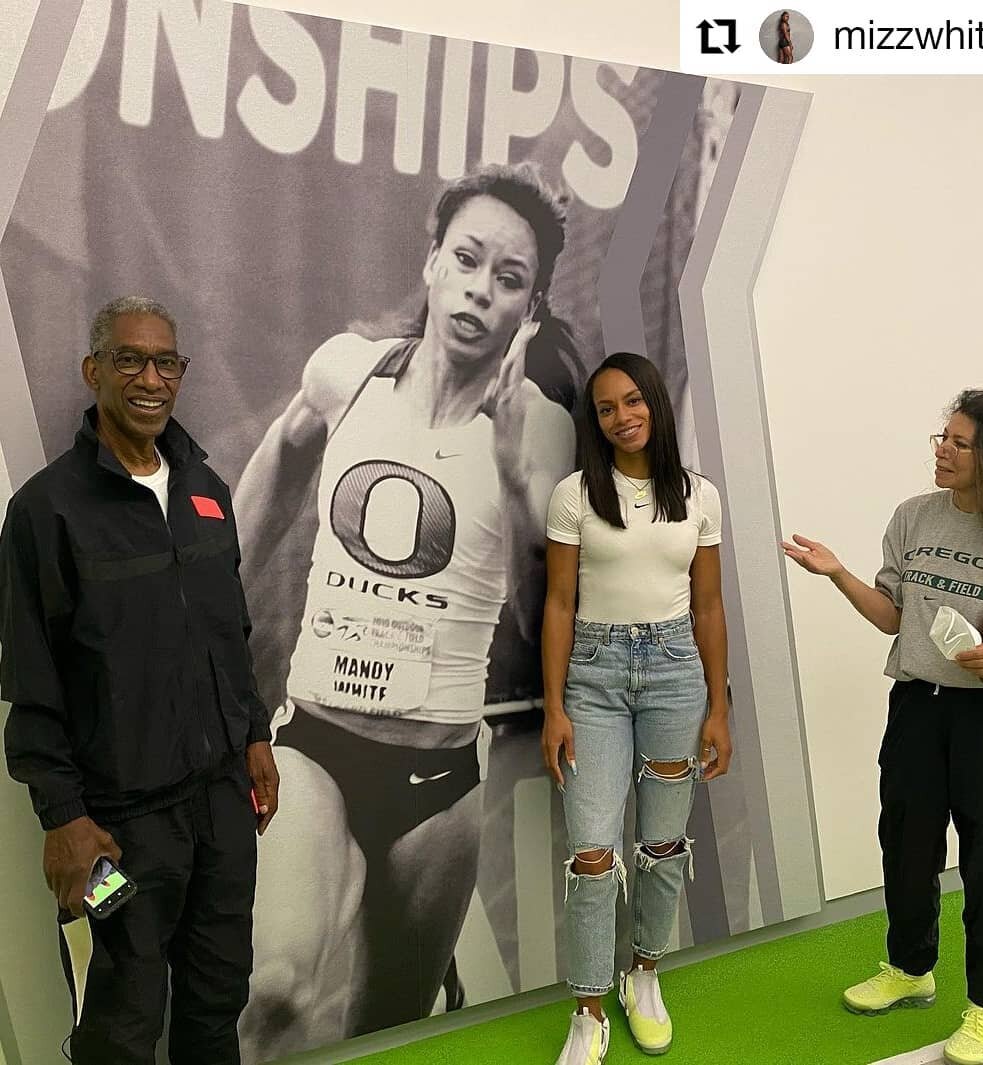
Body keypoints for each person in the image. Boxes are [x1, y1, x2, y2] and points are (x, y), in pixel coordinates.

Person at [233, 162, 577, 1054]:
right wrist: (211, 600)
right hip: (315, 743)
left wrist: (507, 472)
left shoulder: (538, 426)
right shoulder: (344, 372)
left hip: (436, 784)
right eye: (466, 260)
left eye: (508, 280)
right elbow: (275, 467)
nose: (478, 291)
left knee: (385, 1029)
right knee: (274, 989)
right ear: (429, 262)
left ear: (528, 310)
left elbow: (544, 593)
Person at [0, 296, 279, 1065]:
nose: (150, 378)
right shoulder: (45, 512)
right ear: (95, 372)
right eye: (129, 359)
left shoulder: (207, 493)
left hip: (223, 810)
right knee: (121, 1015)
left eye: (165, 362)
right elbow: (31, 680)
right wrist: (63, 816)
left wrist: (253, 733)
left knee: (217, 995)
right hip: (117, 831)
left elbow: (231, 635)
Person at [782, 390, 983, 1065]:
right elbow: (891, 616)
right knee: (906, 847)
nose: (940, 448)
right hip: (917, 705)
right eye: (941, 435)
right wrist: (837, 574)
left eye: (958, 441)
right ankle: (910, 968)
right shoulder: (912, 516)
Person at [541, 351, 731, 1064]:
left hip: (676, 674)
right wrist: (555, 707)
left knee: (659, 845)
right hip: (590, 677)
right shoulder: (573, 495)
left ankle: (643, 973)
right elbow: (559, 603)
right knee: (592, 854)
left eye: (631, 401)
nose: (621, 417)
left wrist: (719, 706)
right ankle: (588, 1010)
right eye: (605, 408)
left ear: (654, 401)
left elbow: (708, 605)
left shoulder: (697, 494)